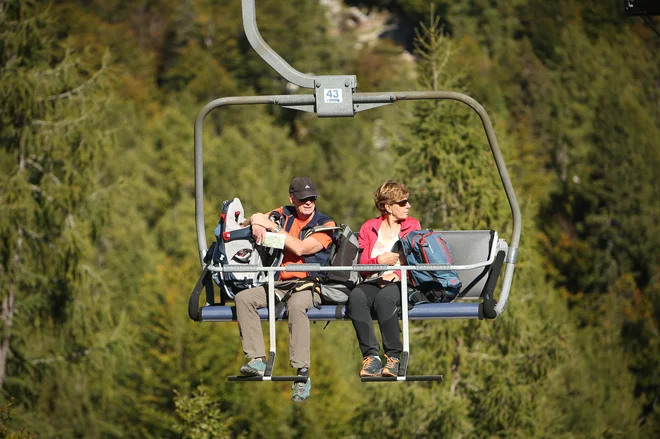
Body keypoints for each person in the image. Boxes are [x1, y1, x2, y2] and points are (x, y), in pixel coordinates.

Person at [235, 176, 335, 402]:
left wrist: (271, 228)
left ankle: (302, 373)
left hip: (308, 284)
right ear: (292, 198)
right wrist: (259, 223)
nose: (308, 203)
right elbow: (254, 218)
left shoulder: (326, 224)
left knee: (297, 306)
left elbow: (300, 249)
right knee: (243, 298)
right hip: (278, 282)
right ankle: (256, 360)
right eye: (302, 199)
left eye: (312, 198)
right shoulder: (283, 214)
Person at [347, 180, 421, 377]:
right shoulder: (370, 227)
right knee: (357, 296)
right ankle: (371, 357)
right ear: (388, 207)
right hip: (373, 279)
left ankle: (393, 357)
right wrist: (379, 260)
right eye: (403, 203)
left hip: (402, 280)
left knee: (384, 298)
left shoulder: (411, 225)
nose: (408, 206)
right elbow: (361, 262)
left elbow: (413, 259)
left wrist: (395, 274)